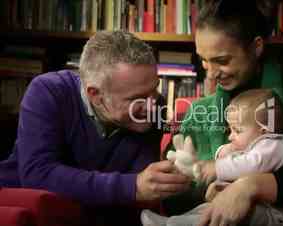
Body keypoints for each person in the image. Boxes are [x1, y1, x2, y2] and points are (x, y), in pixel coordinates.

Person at [163, 0, 283, 225]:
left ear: (256, 46)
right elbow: (170, 198)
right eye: (204, 61)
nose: (212, 74)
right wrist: (207, 193)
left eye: (222, 61)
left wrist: (251, 187)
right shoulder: (199, 112)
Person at [0, 30, 191, 225]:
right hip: (26, 212)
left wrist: (172, 181)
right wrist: (132, 187)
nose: (152, 105)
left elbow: (137, 196)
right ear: (95, 95)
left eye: (154, 89)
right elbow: (37, 174)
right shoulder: (49, 92)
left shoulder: (153, 107)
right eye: (137, 98)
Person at [141, 89, 283, 226]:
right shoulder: (253, 147)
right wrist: (223, 152)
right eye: (230, 129)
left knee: (217, 214)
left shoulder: (274, 144)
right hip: (252, 206)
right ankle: (171, 222)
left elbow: (252, 164)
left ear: (263, 130)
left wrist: (216, 168)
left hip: (271, 215)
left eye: (237, 130)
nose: (231, 136)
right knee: (207, 209)